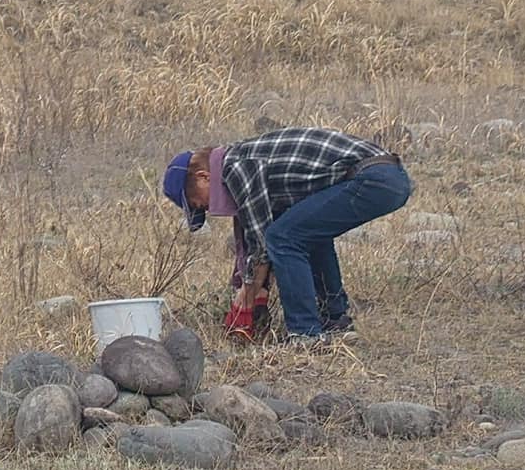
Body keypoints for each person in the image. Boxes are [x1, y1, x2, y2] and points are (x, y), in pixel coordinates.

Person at [162, 126, 413, 347]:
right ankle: (335, 321)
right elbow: (265, 240)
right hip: (387, 177)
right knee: (304, 232)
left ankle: (305, 334)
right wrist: (259, 288)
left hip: (374, 178)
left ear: (204, 177)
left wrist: (247, 299)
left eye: (198, 203)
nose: (206, 209)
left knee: (283, 238)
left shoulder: (235, 166)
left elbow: (263, 243)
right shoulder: (242, 158)